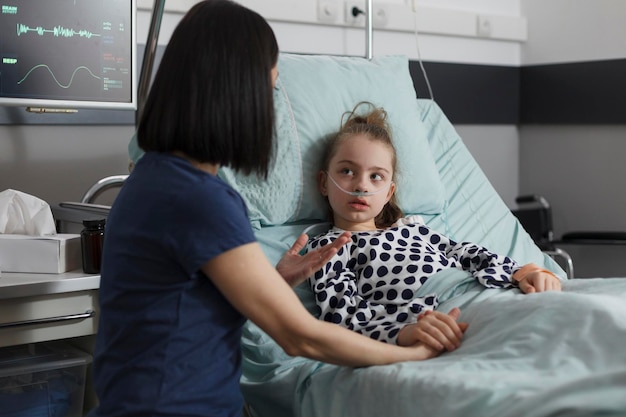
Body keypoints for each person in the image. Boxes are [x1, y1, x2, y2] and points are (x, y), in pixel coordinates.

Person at [88, 3, 448, 417]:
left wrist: (272, 281)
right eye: (272, 89)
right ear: (239, 93)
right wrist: (414, 356)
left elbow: (179, 306)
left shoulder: (150, 178)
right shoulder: (199, 200)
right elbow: (302, 339)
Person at [307, 102, 562, 351]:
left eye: (376, 176)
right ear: (323, 183)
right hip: (443, 316)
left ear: (388, 193)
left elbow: (466, 253)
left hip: (491, 289)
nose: (361, 186)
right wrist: (403, 333)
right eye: (347, 171)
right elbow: (342, 316)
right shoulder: (327, 249)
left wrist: (522, 274)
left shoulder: (412, 230)